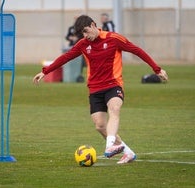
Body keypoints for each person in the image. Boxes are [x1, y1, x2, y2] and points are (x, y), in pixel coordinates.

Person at [33, 15, 168, 164]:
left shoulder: (113, 38)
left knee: (114, 108)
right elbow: (66, 57)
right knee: (100, 126)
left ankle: (110, 145)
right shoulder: (83, 44)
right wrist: (45, 71)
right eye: (82, 34)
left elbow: (137, 51)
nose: (85, 36)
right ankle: (128, 152)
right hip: (95, 89)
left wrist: (157, 69)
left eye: (86, 31)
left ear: (93, 25)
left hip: (113, 85)